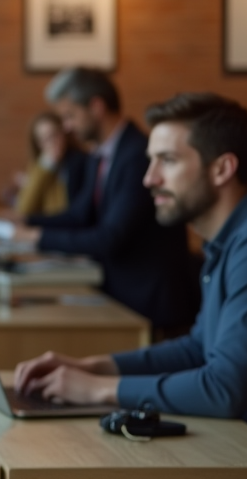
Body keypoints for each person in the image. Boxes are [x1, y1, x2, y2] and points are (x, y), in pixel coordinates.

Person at [13, 92, 247, 431]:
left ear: (222, 169)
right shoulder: (226, 241)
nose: (149, 179)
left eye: (168, 160)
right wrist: (94, 367)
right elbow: (197, 349)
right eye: (151, 161)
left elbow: (224, 389)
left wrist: (98, 389)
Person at [11, 68, 199, 335]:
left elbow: (110, 237)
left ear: (96, 107)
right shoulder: (100, 155)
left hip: (149, 305)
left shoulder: (138, 155)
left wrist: (35, 236)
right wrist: (24, 220)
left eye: (70, 115)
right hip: (122, 295)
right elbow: (79, 215)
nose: (67, 126)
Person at [13, 111, 88, 216]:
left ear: (64, 134)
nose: (52, 142)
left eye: (55, 135)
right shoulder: (39, 166)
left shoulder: (80, 161)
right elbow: (24, 208)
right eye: (45, 139)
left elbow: (65, 210)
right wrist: (47, 165)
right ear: (38, 144)